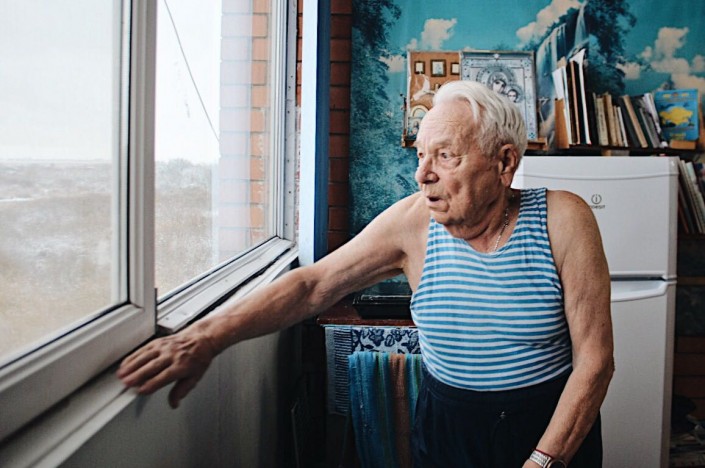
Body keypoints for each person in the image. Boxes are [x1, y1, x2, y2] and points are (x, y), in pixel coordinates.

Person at [118, 80, 614, 467]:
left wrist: (543, 461)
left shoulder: (563, 218)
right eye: (420, 155)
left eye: (445, 155)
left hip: (547, 427)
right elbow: (312, 285)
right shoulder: (413, 223)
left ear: (504, 163)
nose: (422, 174)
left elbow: (595, 361)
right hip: (446, 428)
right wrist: (205, 338)